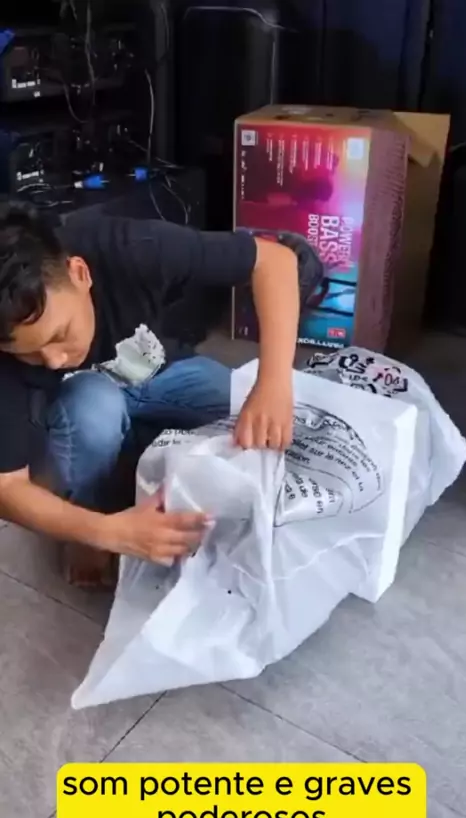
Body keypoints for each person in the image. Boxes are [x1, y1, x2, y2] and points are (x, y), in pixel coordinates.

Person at [0, 201, 300, 585]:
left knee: (253, 415)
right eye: (29, 353)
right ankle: (88, 506)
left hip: (160, 370)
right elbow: (7, 487)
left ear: (79, 273)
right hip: (78, 412)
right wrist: (103, 531)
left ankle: (131, 454)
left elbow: (274, 261)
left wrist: (273, 383)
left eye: (60, 334)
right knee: (94, 405)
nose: (54, 360)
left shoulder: (131, 247)